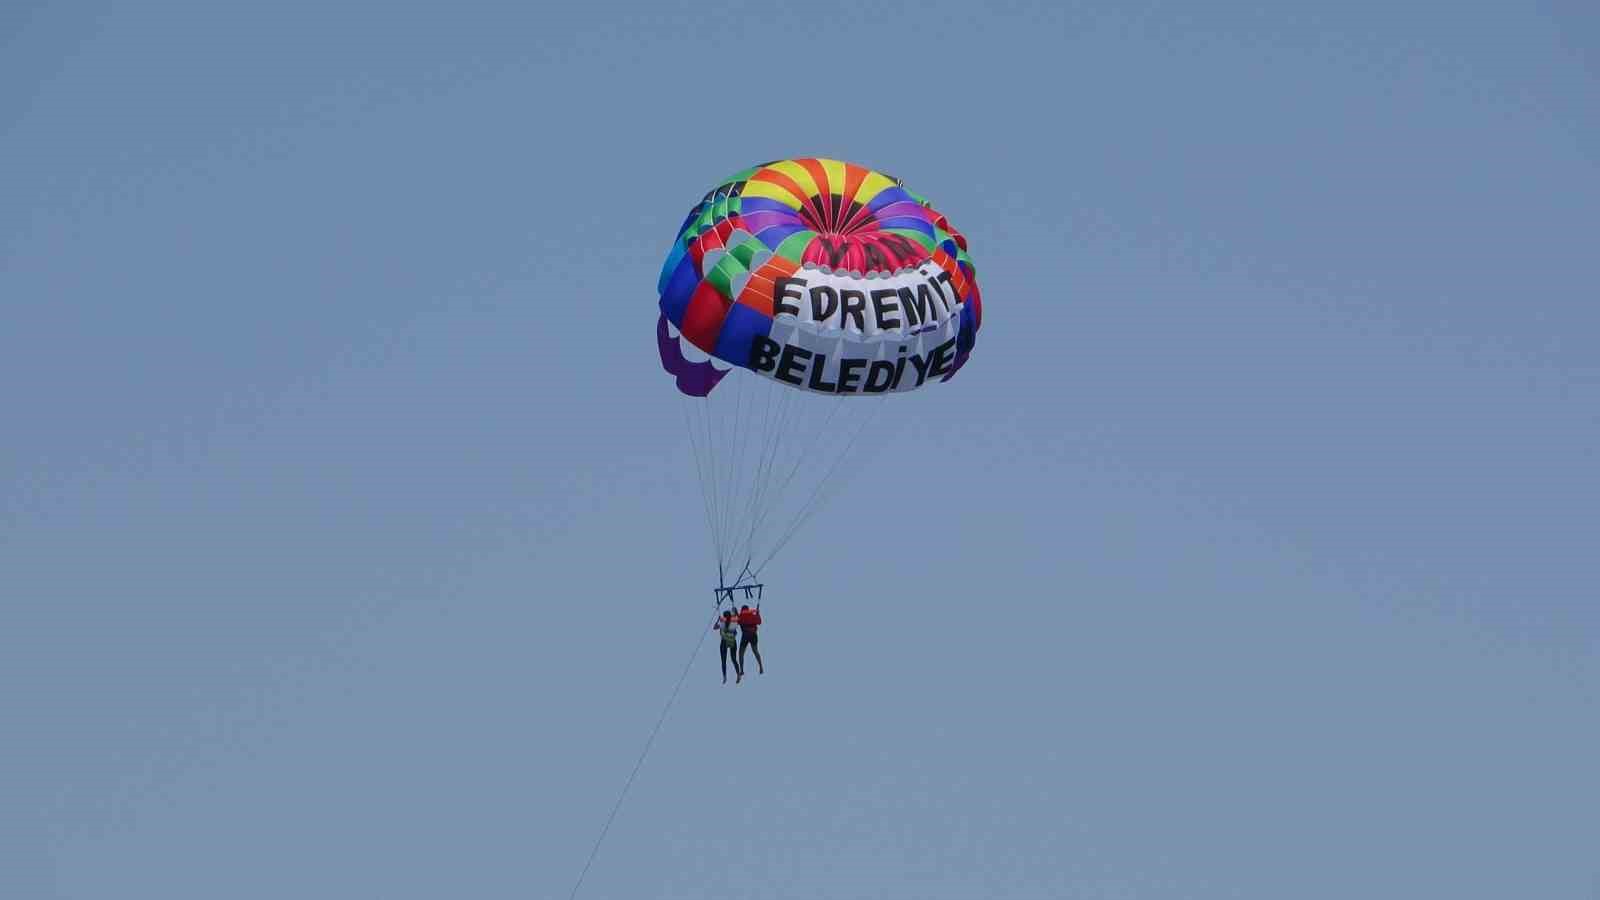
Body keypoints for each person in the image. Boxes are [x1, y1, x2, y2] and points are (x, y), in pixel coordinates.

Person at [713, 610, 741, 684]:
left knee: (723, 661)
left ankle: (724, 677)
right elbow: (739, 619)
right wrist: (735, 613)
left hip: (724, 642)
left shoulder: (722, 623)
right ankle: (738, 675)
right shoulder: (734, 622)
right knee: (734, 659)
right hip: (732, 641)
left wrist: (718, 619)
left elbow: (714, 627)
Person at [736, 604, 764, 680]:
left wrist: (735, 613)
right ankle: (761, 667)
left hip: (745, 635)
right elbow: (759, 622)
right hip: (753, 635)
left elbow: (737, 621)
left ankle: (741, 670)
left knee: (741, 653)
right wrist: (758, 614)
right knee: (755, 651)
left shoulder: (741, 616)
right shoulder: (753, 615)